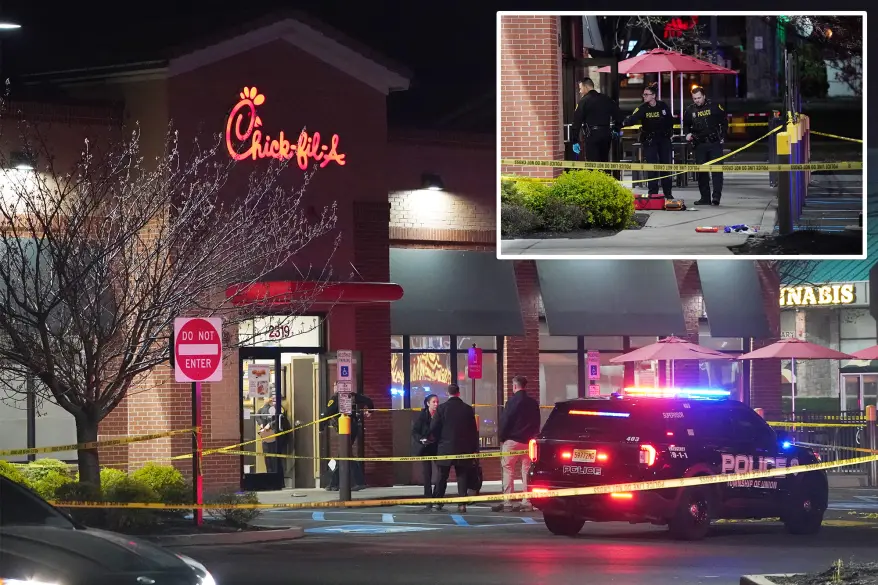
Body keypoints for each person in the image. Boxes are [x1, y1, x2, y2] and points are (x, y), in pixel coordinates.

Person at [492, 376, 541, 512]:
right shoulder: (533, 403)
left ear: (514, 386)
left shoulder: (512, 402)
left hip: (512, 441)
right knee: (526, 471)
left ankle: (508, 501)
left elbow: (505, 420)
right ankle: (527, 501)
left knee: (508, 470)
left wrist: (502, 437)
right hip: (528, 442)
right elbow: (537, 422)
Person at [428, 383, 480, 513]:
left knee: (442, 476)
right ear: (459, 393)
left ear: (448, 393)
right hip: (463, 448)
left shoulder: (442, 408)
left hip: (445, 448)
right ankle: (462, 504)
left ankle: (438, 502)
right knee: (462, 476)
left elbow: (433, 428)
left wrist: (437, 440)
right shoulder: (467, 409)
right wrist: (474, 448)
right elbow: (473, 431)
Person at [623, 83, 675, 200]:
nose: (644, 96)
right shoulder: (642, 108)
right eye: (644, 94)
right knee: (652, 166)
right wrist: (623, 122)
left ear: (654, 96)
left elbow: (670, 120)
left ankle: (668, 192)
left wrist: (669, 133)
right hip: (650, 140)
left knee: (666, 166)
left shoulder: (662, 106)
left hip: (663, 140)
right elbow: (632, 119)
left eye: (647, 94)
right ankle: (653, 193)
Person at [320, 388, 374, 491]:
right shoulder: (352, 396)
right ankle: (335, 483)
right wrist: (370, 410)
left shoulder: (336, 399)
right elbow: (368, 401)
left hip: (345, 428)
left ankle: (358, 482)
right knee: (343, 454)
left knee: (345, 454)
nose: (335, 388)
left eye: (336, 385)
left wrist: (321, 427)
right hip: (353, 427)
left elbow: (327, 413)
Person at [683, 85, 729, 206]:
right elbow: (686, 125)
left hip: (714, 143)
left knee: (717, 172)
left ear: (704, 96)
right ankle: (705, 198)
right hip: (699, 145)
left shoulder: (714, 107)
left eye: (699, 97)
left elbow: (724, 121)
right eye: (694, 98)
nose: (697, 100)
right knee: (701, 172)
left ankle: (716, 197)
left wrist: (723, 136)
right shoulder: (689, 110)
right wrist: (687, 134)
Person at [571, 77, 624, 166]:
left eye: (580, 88)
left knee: (593, 164)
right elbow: (619, 116)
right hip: (606, 134)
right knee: (604, 162)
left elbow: (577, 121)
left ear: (585, 87)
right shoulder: (606, 99)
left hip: (592, 135)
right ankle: (605, 179)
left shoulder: (583, 101)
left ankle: (596, 180)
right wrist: (616, 129)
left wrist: (575, 140)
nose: (580, 91)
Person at [411, 394, 440, 510]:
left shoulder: (440, 415)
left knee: (441, 473)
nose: (436, 404)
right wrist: (421, 439)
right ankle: (428, 499)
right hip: (426, 448)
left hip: (437, 447)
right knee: (427, 475)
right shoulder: (422, 416)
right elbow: (415, 431)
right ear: (428, 403)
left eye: (437, 402)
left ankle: (437, 497)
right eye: (433, 402)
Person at [257, 395, 290, 475]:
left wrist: (270, 425)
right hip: (266, 434)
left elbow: (280, 419)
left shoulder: (278, 408)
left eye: (266, 397)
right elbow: (258, 416)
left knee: (274, 458)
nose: (264, 399)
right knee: (267, 457)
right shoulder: (264, 408)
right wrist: (261, 424)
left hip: (275, 434)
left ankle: (276, 477)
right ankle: (269, 475)